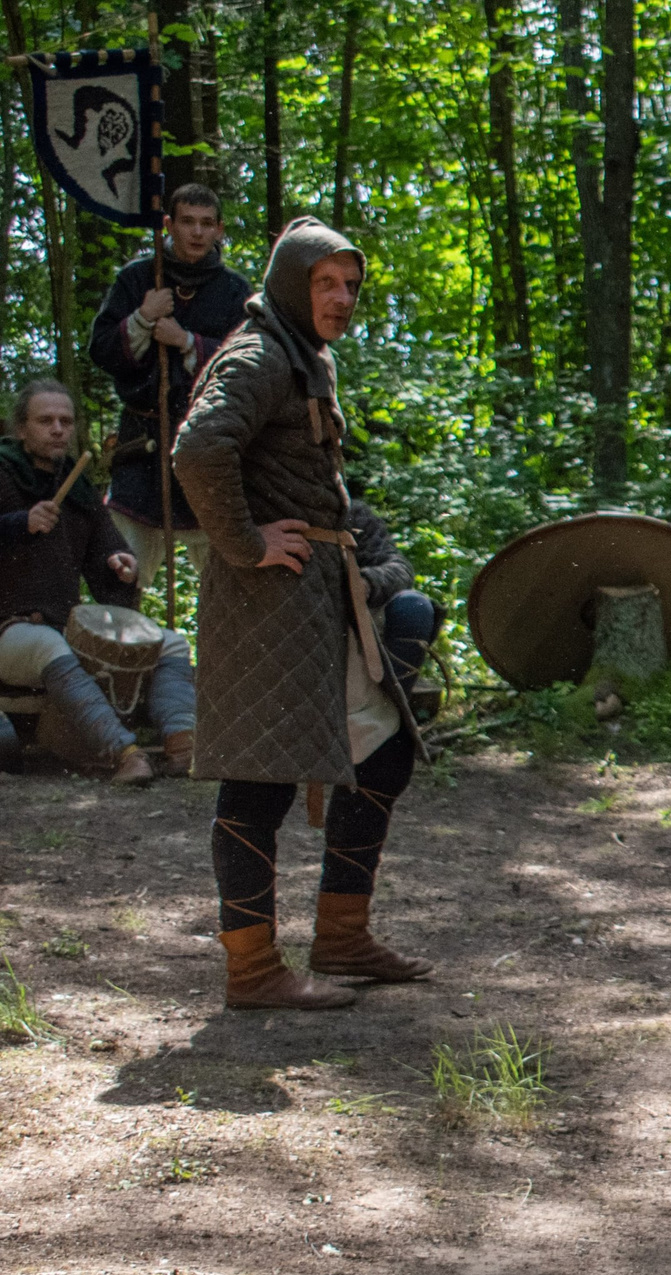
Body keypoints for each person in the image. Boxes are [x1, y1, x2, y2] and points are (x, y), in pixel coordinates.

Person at [174, 216, 436, 1012]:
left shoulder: (300, 356)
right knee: (260, 785)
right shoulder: (258, 355)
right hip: (266, 605)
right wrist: (246, 542)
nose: (343, 297)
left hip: (317, 597)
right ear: (293, 284)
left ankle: (342, 935)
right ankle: (252, 969)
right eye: (327, 283)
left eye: (351, 285)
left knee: (383, 752)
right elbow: (197, 448)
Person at [0, 379, 193, 784]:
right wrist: (18, 524)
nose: (57, 429)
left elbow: (109, 555)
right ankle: (123, 752)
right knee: (48, 645)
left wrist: (120, 566)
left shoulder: (78, 486)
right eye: (45, 420)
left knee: (172, 642)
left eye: (65, 421)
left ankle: (184, 747)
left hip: (60, 625)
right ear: (21, 429)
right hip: (9, 628)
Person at [86, 182, 254, 596]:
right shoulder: (137, 279)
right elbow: (102, 350)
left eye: (206, 224)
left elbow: (250, 363)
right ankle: (116, 661)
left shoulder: (235, 291)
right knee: (121, 575)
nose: (197, 233)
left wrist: (186, 342)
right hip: (141, 448)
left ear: (219, 230)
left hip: (207, 446)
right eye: (187, 222)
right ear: (168, 225)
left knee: (228, 588)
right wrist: (142, 318)